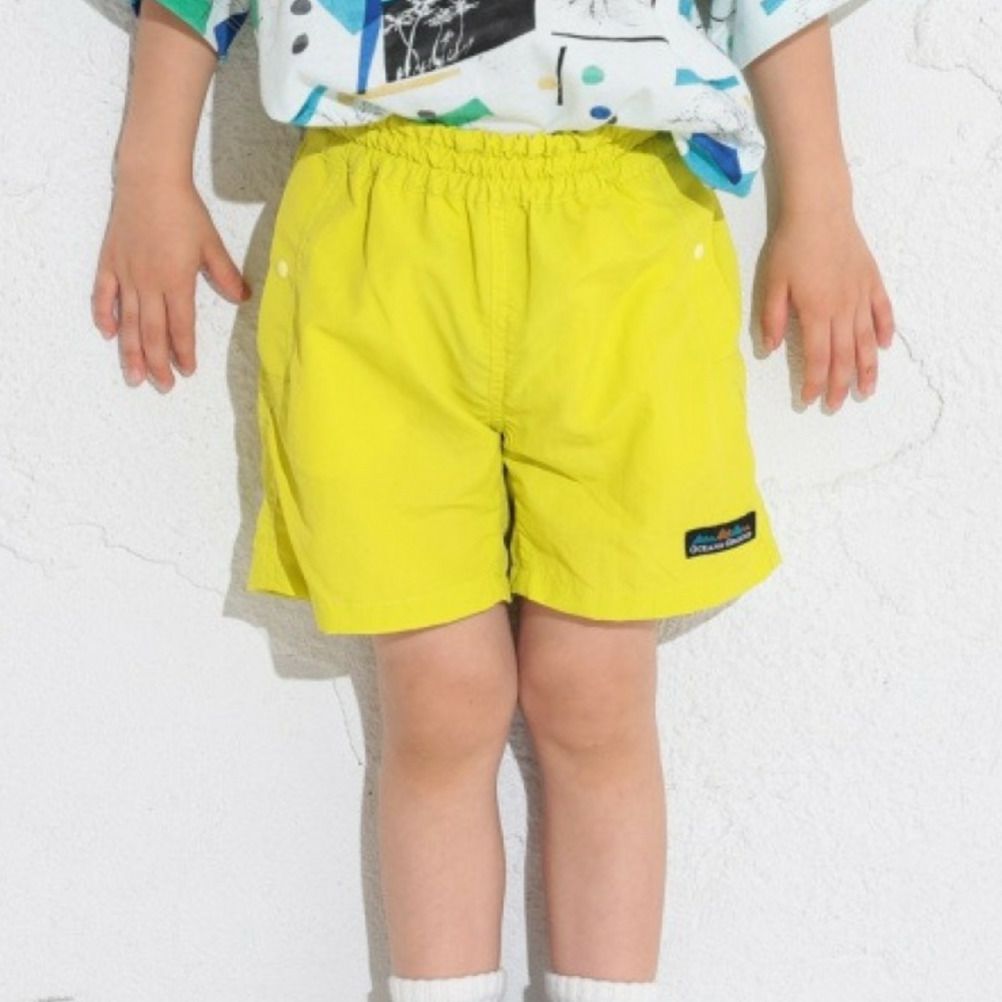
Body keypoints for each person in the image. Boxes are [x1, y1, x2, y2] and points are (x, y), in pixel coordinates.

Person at [91, 1, 895, 1000]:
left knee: (595, 691)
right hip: (375, 221)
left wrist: (820, 202)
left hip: (626, 224)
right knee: (440, 697)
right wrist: (149, 174)